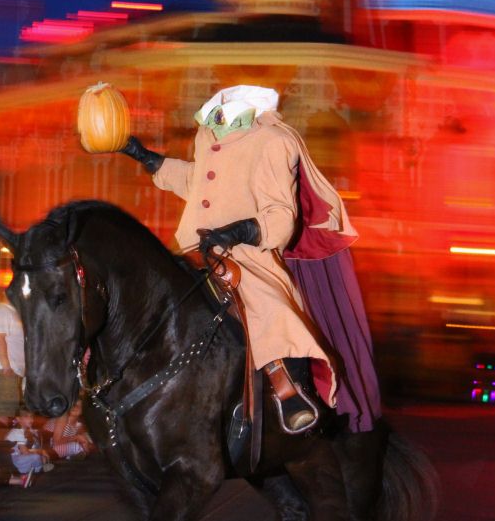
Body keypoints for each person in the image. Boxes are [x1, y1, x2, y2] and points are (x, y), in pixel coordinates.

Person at [121, 84, 381, 433]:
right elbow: (198, 181)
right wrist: (146, 157)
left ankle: (285, 386)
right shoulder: (208, 132)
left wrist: (237, 232)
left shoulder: (275, 141)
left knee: (264, 305)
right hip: (193, 249)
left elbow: (281, 216)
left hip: (248, 253)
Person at [0, 293, 25, 424]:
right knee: (3, 415)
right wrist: (6, 366)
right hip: (3, 371)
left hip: (10, 372)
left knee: (7, 413)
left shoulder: (12, 312)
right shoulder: (2, 311)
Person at [4, 406, 53, 475]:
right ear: (18, 419)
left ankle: (35, 470)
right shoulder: (17, 432)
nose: (31, 419)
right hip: (13, 460)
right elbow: (25, 452)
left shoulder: (26, 430)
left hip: (20, 456)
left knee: (40, 457)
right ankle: (28, 471)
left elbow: (30, 448)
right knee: (36, 457)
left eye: (31, 416)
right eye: (26, 417)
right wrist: (40, 452)